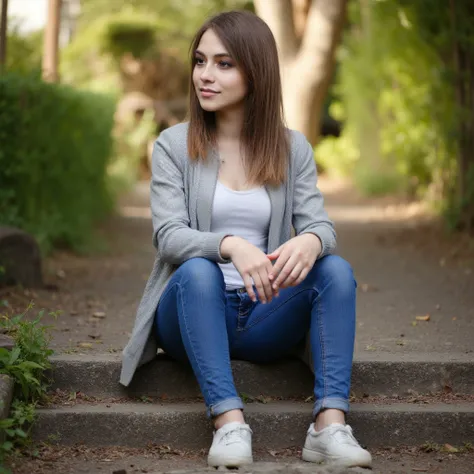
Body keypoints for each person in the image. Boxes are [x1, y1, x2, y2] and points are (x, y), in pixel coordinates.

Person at [120, 10, 372, 470]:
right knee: (197, 270)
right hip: (191, 311)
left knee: (335, 269)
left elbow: (322, 225)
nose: (205, 75)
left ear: (256, 72)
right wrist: (231, 244)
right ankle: (229, 422)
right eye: (200, 61)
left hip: (262, 313)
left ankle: (329, 426)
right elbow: (169, 237)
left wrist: (312, 242)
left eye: (224, 63)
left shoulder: (292, 148)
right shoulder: (173, 145)